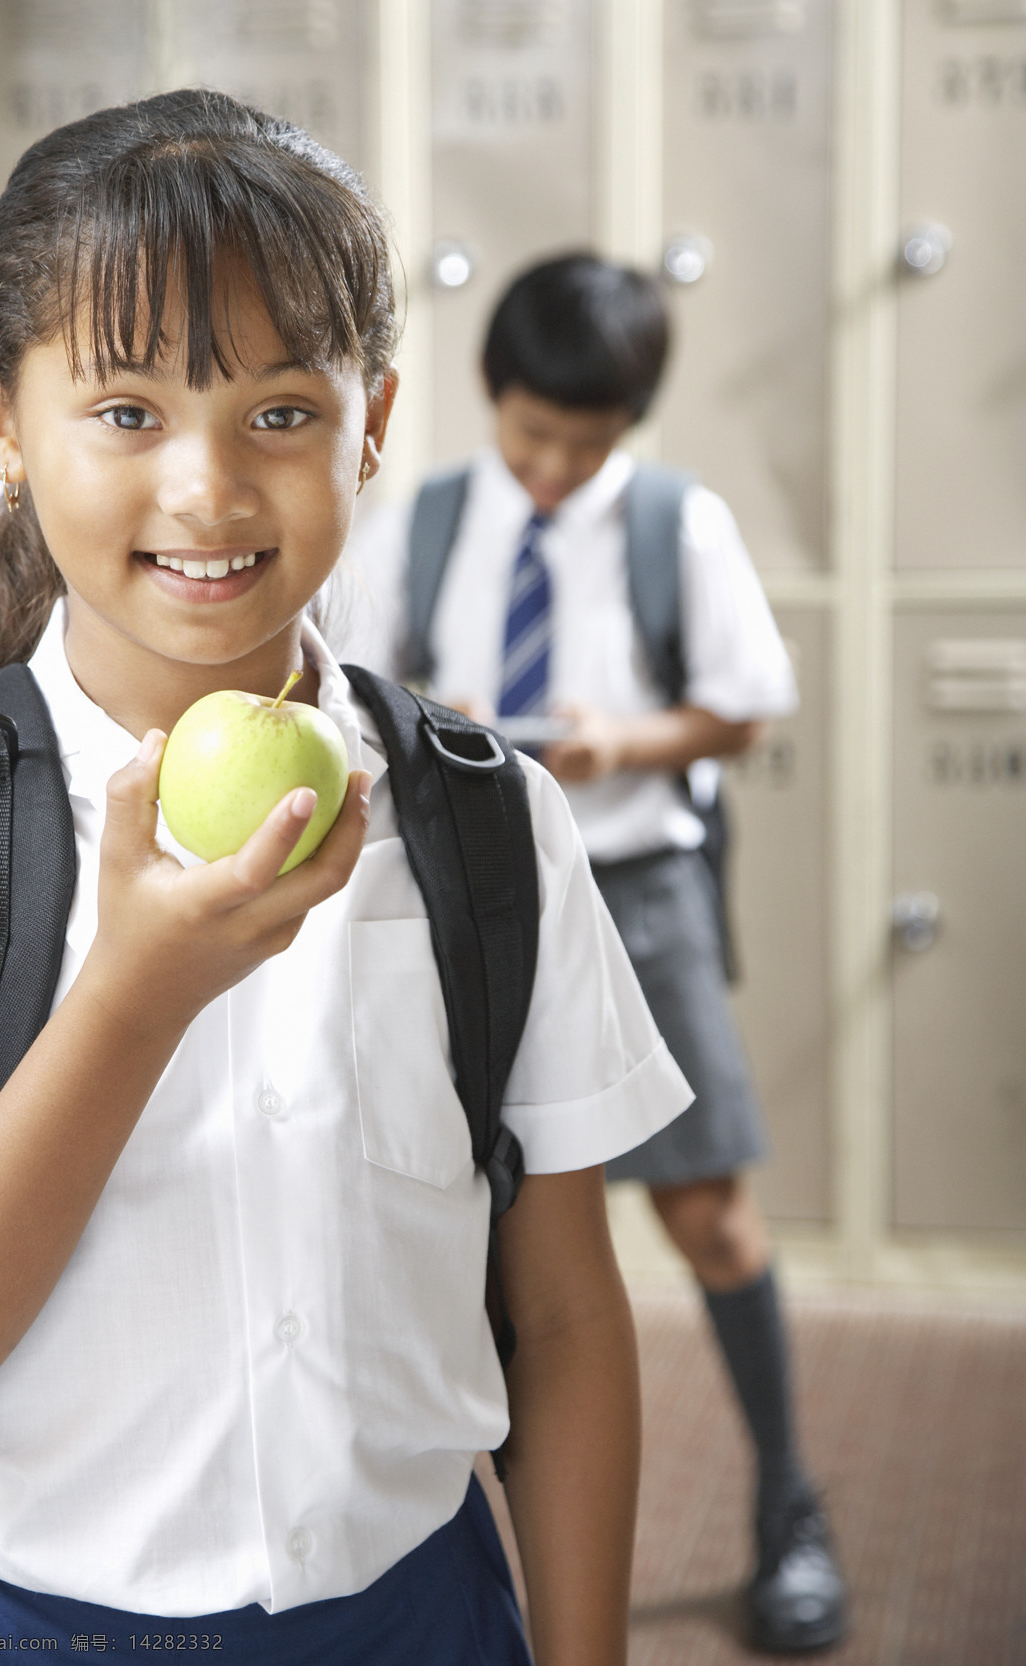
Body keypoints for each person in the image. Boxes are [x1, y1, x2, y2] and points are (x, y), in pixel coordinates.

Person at [0, 95, 695, 1664]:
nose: (211, 490)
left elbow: (565, 1317)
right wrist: (140, 990)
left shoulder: (495, 822)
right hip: (7, 1628)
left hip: (419, 1617)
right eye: (127, 412)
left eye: (282, 413)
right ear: (3, 425)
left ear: (371, 422)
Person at [343, 254, 849, 1655]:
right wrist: (455, 729)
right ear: (491, 396)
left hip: (639, 883)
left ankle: (788, 1509)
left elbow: (743, 708)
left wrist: (620, 744)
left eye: (591, 438)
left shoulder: (679, 524)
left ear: (632, 418)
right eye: (533, 433)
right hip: (475, 886)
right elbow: (358, 688)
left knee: (706, 1216)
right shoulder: (424, 519)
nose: (559, 464)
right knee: (486, 1225)